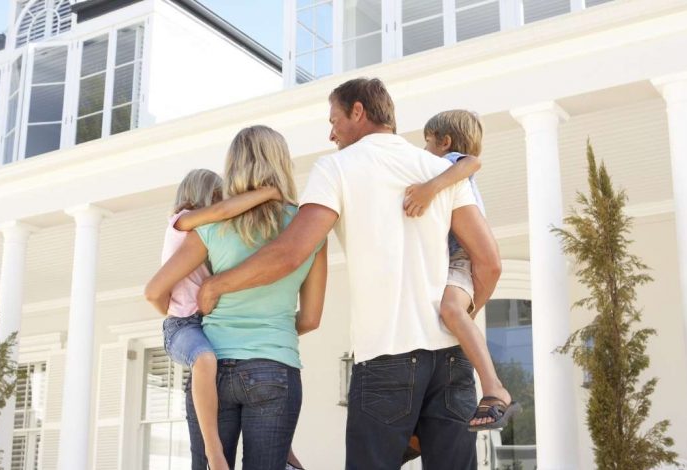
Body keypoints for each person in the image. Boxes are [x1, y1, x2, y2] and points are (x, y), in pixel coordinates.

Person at [196, 78, 502, 469]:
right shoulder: (439, 169)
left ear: (358, 111)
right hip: (451, 361)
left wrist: (217, 284)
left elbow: (291, 253)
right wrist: (458, 320)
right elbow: (489, 263)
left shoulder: (336, 168)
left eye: (334, 120)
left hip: (385, 358)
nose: (331, 134)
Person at [146, 125, 327, 470]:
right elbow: (310, 318)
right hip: (276, 366)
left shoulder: (209, 227)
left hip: (215, 366)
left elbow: (156, 289)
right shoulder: (308, 229)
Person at [145, 169, 285, 470]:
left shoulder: (210, 236)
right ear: (203, 197)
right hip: (182, 325)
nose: (224, 204)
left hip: (205, 322)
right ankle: (214, 453)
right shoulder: (181, 222)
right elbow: (153, 293)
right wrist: (269, 192)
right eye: (218, 196)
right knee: (205, 360)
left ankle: (287, 456)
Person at [404, 110, 520, 431]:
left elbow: (472, 162)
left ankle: (495, 388)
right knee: (444, 325)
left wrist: (429, 189)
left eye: (428, 142)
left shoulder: (451, 164)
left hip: (462, 255)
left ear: (445, 142)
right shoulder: (446, 168)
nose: (424, 150)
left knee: (452, 310)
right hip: (451, 256)